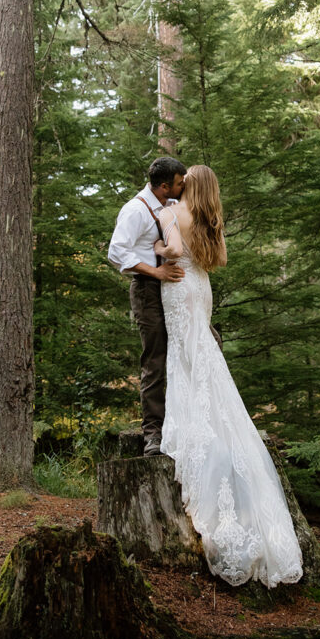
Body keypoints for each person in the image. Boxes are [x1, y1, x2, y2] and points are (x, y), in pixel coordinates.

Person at [154, 164, 304, 588]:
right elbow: (212, 259)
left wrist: (158, 245)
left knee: (187, 359)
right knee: (202, 359)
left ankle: (196, 434)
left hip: (178, 286)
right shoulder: (208, 220)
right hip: (201, 290)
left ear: (190, 187)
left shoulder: (172, 213)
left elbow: (170, 249)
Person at [108, 157, 187, 457]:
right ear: (165, 186)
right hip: (147, 289)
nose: (184, 187)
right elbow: (116, 252)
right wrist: (156, 272)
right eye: (180, 183)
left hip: (173, 290)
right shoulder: (135, 210)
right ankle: (153, 435)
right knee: (155, 360)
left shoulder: (168, 206)